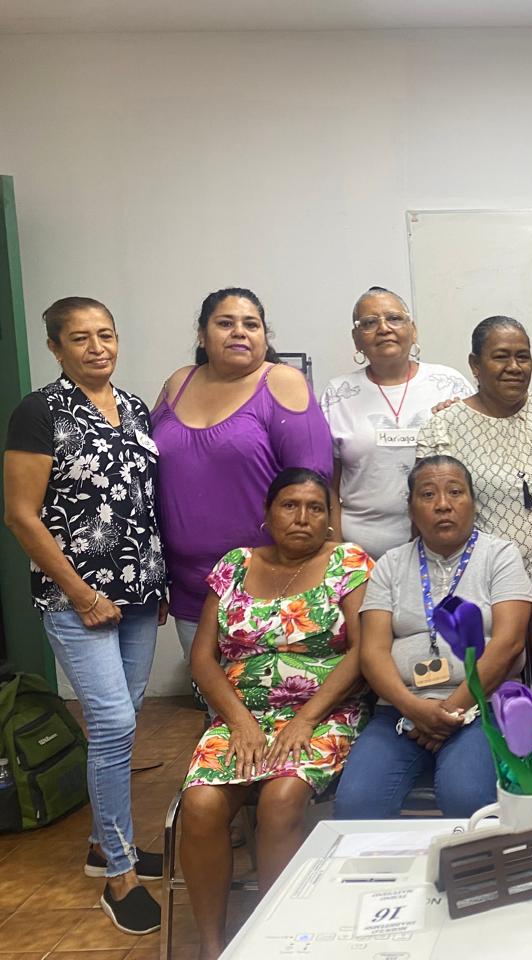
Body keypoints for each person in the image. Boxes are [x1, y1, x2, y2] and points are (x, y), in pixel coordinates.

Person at [3, 297, 168, 935]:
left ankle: (105, 843)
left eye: (106, 335)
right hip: (78, 600)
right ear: (55, 347)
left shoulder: (134, 407)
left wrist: (154, 584)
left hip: (137, 595)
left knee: (120, 725)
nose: (97, 348)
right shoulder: (39, 411)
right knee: (113, 722)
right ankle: (119, 876)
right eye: (80, 338)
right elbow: (22, 515)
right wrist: (81, 594)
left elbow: (143, 502)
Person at [179, 468, 372, 960]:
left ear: (329, 518)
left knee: (281, 800)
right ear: (267, 514)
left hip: (324, 714)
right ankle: (212, 947)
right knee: (199, 806)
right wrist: (239, 720)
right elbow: (202, 657)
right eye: (289, 505)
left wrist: (306, 718)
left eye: (315, 508)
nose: (302, 517)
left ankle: (274, 941)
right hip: (239, 717)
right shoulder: (235, 565)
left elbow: (362, 651)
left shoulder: (348, 562)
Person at [334, 455, 532, 819]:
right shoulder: (390, 564)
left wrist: (450, 709)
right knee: (356, 803)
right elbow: (373, 653)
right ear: (411, 510)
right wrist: (414, 709)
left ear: (473, 503)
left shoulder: (500, 556)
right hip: (399, 709)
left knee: (466, 795)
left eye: (455, 492)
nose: (443, 504)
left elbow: (509, 644)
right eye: (428, 495)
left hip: (483, 705)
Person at [152, 287, 332, 658]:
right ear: (202, 335)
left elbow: (311, 488)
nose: (239, 332)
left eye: (251, 324)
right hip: (190, 585)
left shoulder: (281, 381)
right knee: (209, 689)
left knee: (266, 689)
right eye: (225, 323)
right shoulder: (178, 383)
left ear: (265, 336)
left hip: (266, 586)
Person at [415, 317, 532, 584]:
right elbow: (428, 516)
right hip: (483, 581)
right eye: (501, 357)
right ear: (475, 364)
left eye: (522, 357)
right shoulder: (443, 428)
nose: (514, 367)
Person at [320, 286, 471, 558]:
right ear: (356, 339)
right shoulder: (338, 393)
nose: (384, 328)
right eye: (369, 323)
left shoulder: (449, 384)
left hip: (444, 547)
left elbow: (475, 461)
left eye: (394, 318)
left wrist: (456, 423)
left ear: (413, 330)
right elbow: (329, 483)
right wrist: (337, 548)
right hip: (360, 551)